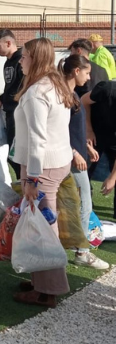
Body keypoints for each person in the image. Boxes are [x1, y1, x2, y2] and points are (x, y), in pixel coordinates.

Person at [12, 38, 73, 308]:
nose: (20, 60)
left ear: (34, 59)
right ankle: (43, 281)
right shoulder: (55, 85)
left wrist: (32, 178)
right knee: (42, 223)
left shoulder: (38, 92)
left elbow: (38, 138)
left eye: (24, 56)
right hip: (55, 160)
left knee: (45, 227)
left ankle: (49, 289)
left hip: (43, 165)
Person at [58, 55, 109, 269]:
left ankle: (73, 247)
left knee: (75, 203)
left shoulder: (72, 94)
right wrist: (75, 153)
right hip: (69, 159)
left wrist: (86, 147)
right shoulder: (62, 96)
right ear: (76, 71)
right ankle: (82, 251)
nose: (89, 78)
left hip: (75, 156)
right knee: (83, 202)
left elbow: (73, 128)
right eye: (87, 73)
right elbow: (57, 131)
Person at [81, 81, 116, 218]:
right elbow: (83, 101)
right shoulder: (107, 88)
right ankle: (85, 208)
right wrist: (88, 130)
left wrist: (112, 178)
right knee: (83, 170)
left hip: (113, 138)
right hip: (95, 132)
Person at [0, 29, 24, 177]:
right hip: (9, 112)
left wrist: (8, 98)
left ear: (9, 43)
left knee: (16, 151)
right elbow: (10, 86)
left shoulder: (21, 60)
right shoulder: (8, 63)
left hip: (19, 113)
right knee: (10, 149)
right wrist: (2, 98)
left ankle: (23, 181)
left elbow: (20, 87)